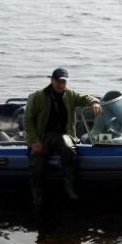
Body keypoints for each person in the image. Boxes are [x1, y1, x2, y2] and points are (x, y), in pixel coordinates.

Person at [23, 67, 101, 210]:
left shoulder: (70, 94)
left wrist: (94, 102)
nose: (61, 85)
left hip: (62, 134)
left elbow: (85, 98)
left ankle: (68, 188)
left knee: (69, 150)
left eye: (64, 82)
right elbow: (27, 119)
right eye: (58, 81)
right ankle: (37, 198)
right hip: (42, 135)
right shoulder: (38, 96)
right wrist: (34, 141)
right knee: (37, 163)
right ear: (52, 80)